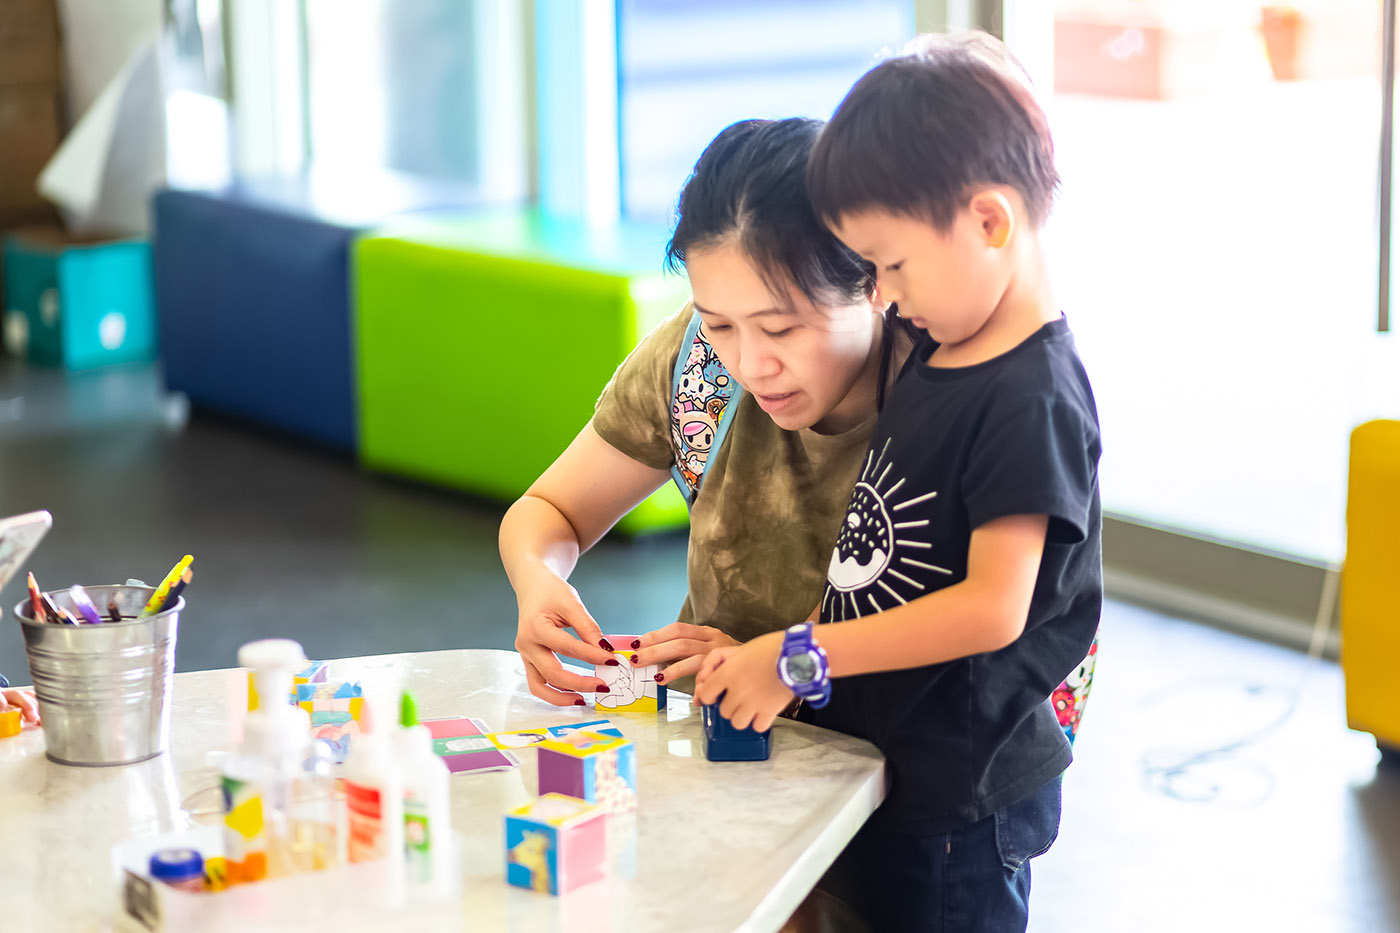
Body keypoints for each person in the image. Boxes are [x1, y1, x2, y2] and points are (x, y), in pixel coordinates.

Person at [695, 33, 1102, 933]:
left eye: (892, 264)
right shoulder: (944, 346)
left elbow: (994, 609)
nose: (879, 292)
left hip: (960, 799)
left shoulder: (1028, 396)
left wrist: (796, 655)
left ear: (991, 221)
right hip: (891, 763)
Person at [499, 117, 913, 704]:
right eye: (719, 323)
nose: (749, 364)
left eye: (781, 328)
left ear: (874, 280)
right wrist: (537, 579)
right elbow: (550, 510)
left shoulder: (945, 387)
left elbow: (974, 619)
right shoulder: (696, 364)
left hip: (917, 753)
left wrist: (779, 669)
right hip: (726, 731)